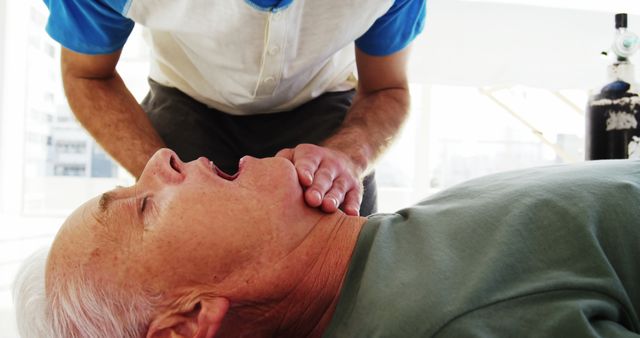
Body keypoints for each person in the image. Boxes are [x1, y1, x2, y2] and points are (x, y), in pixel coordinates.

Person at [14, 149, 640, 337]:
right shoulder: (454, 323)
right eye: (144, 205)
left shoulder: (382, 261)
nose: (161, 156)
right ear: (188, 322)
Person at [42, 0, 427, 216]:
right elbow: (88, 76)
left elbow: (385, 88)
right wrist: (163, 175)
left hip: (324, 104)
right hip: (187, 98)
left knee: (344, 272)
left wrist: (351, 155)